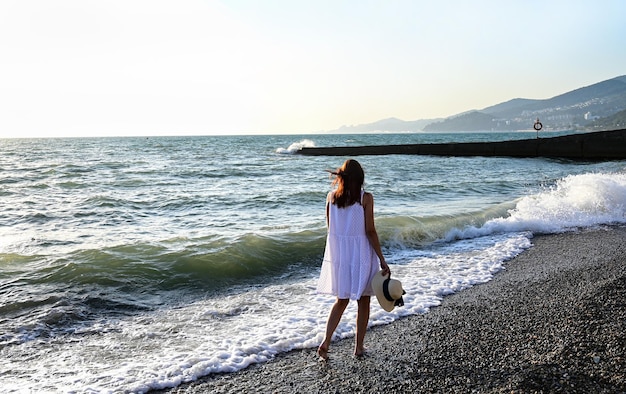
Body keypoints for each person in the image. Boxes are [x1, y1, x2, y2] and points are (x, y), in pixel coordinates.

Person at [316, 159, 390, 360]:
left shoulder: (331, 197)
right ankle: (358, 347)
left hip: (340, 255)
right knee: (364, 300)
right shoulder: (365, 198)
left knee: (341, 299)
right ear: (360, 178)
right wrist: (382, 259)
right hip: (362, 254)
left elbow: (331, 228)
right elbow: (370, 231)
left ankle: (326, 342)